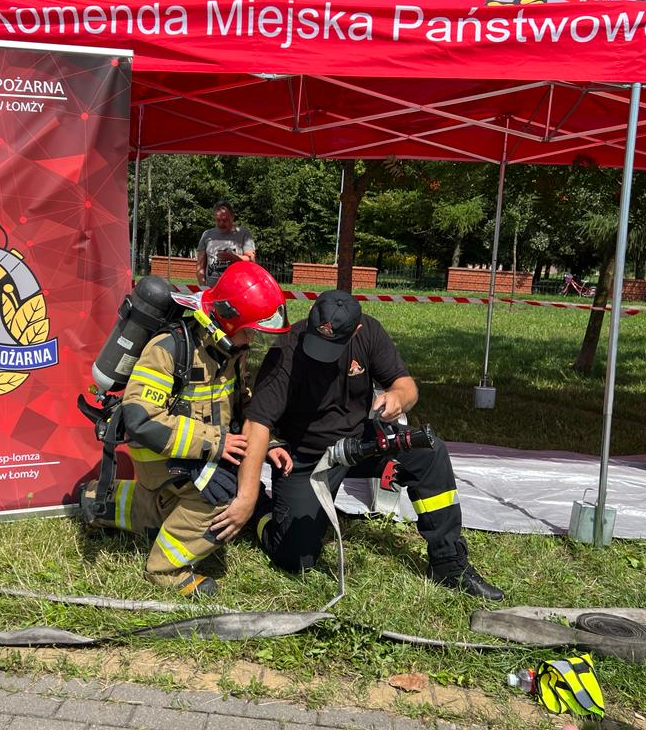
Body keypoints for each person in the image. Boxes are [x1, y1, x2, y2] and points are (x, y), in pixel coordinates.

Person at [212, 289, 504, 601]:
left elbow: (406, 386)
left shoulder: (370, 333)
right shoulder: (287, 349)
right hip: (306, 455)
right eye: (317, 341)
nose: (321, 352)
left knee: (430, 452)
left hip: (359, 442)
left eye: (332, 346)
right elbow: (257, 424)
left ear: (356, 330)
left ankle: (448, 563)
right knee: (296, 558)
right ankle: (263, 509)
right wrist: (247, 498)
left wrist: (398, 398)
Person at [86, 262, 289, 597]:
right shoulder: (168, 348)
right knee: (222, 491)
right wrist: (214, 443)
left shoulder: (230, 350)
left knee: (192, 495)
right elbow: (141, 420)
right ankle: (165, 569)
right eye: (248, 330)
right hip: (159, 452)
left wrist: (269, 442)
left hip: (196, 451)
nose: (252, 338)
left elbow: (243, 405)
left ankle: (99, 500)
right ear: (226, 319)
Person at [197, 200, 256, 287]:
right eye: (218, 220)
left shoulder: (243, 234)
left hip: (236, 288)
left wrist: (234, 258)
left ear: (233, 217)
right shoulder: (207, 235)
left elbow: (251, 260)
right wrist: (203, 287)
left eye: (225, 220)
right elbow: (200, 265)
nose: (221, 223)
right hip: (212, 289)